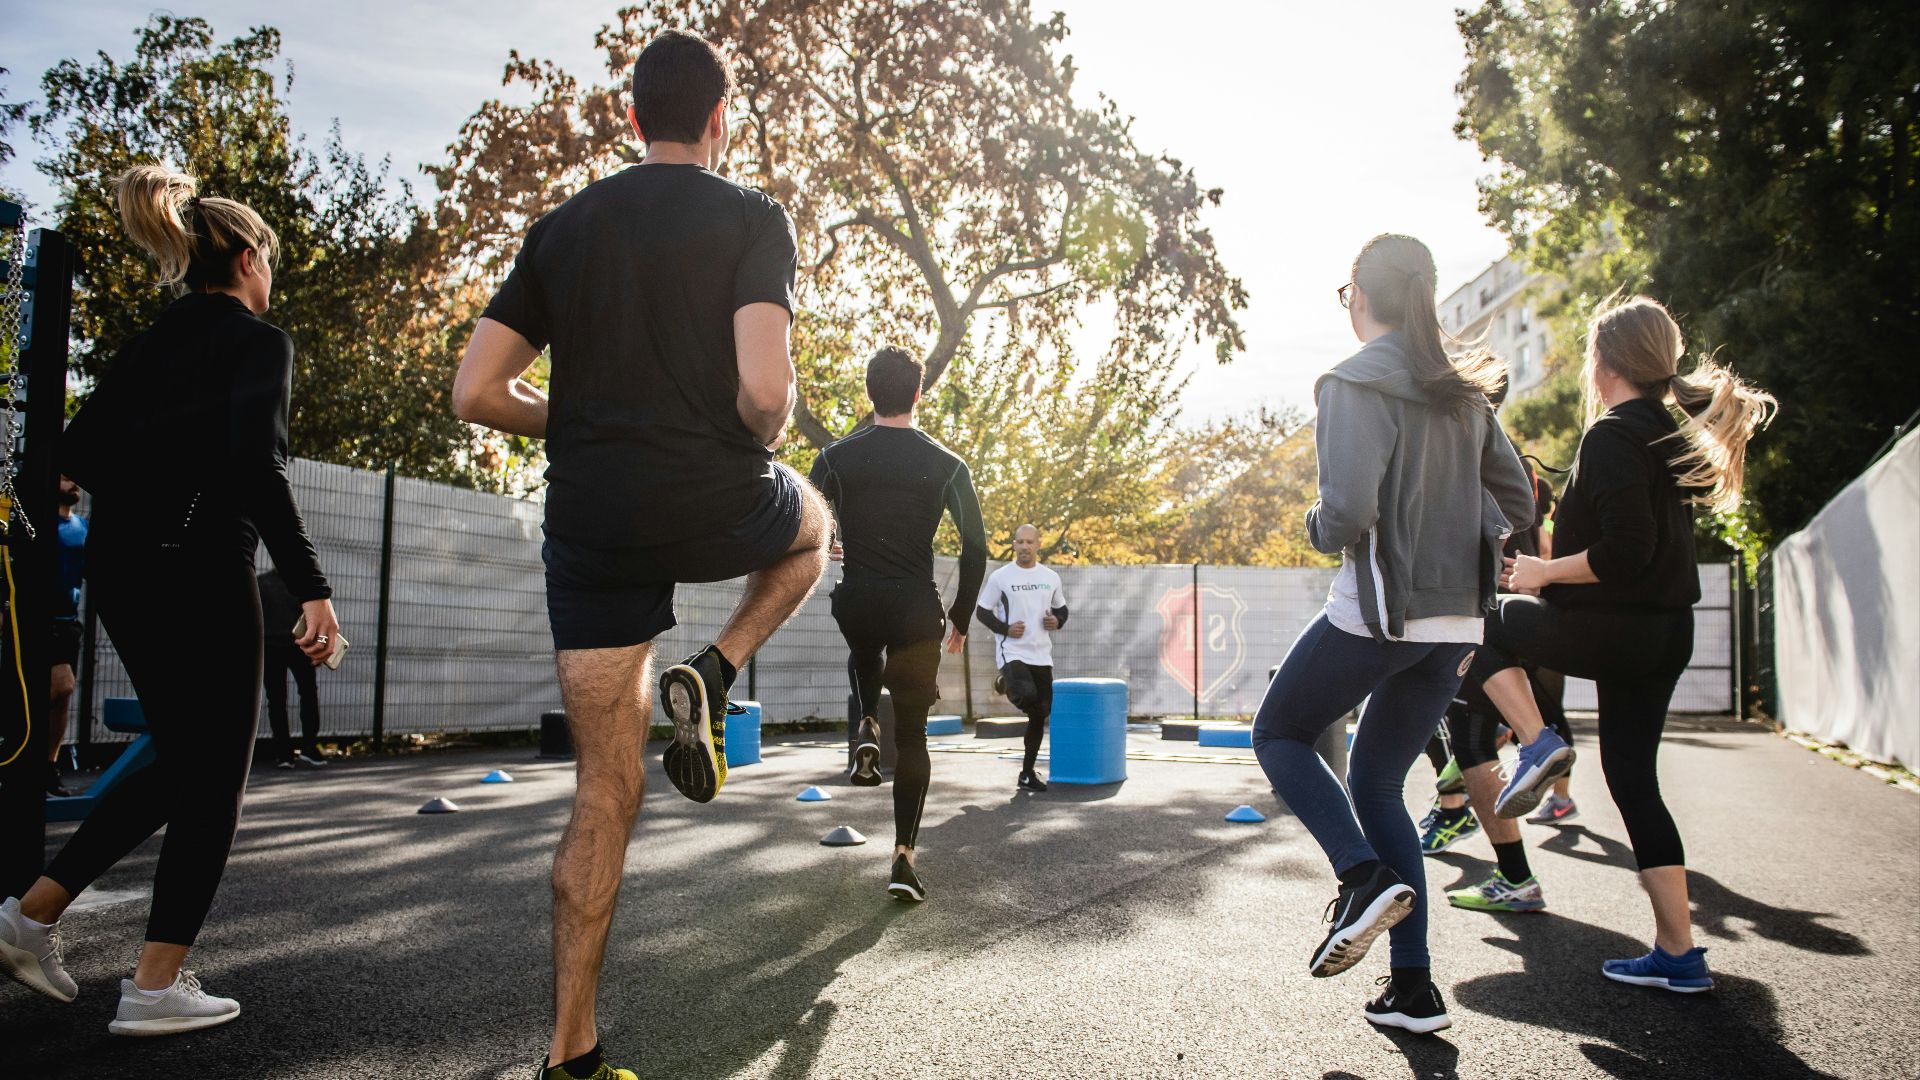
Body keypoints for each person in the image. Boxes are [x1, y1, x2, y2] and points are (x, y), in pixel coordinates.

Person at [450, 30, 829, 1080]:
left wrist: (572, 419)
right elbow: (763, 391)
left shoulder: (563, 228)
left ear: (631, 120)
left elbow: (476, 391)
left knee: (603, 791)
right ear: (719, 122)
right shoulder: (754, 216)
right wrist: (756, 437)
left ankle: (572, 1055)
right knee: (814, 530)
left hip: (592, 523)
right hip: (713, 493)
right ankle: (713, 669)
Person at [0, 165, 339, 1035]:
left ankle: (29, 916)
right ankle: (153, 986)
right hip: (200, 569)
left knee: (180, 759)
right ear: (250, 258)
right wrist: (313, 590)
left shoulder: (154, 342)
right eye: (273, 261)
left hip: (126, 573)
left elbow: (76, 451)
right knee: (214, 774)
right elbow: (258, 469)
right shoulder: (260, 343)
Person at [1248, 234, 1534, 1035]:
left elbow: (1345, 515)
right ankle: (1414, 990)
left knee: (1278, 731)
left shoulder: (1351, 381)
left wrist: (1312, 523)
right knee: (1377, 784)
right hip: (1455, 625)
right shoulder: (1466, 395)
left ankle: (1359, 874)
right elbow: (1518, 500)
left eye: (1345, 294)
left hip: (1380, 612)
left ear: (1361, 298)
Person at [1470, 294, 1774, 993]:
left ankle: (1538, 742)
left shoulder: (1611, 433)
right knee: (1635, 781)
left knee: (1479, 623)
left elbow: (1627, 551)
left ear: (1603, 361)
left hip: (1617, 629)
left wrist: (1545, 571)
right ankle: (1678, 952)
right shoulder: (1665, 431)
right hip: (1665, 632)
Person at [808, 347, 987, 902]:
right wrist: (959, 616)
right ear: (917, 392)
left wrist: (829, 542)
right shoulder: (949, 464)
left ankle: (865, 722)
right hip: (916, 610)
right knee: (913, 736)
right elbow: (976, 548)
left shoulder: (835, 458)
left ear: (870, 393)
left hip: (858, 599)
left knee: (863, 647)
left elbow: (805, 521)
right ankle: (903, 859)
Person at [974, 524, 1068, 792]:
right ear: (1014, 545)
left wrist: (1056, 620)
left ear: (1038, 544)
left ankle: (1026, 774)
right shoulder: (1001, 577)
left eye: (1030, 542)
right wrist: (1005, 629)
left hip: (1041, 654)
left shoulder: (1050, 577)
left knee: (1042, 712)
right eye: (1020, 542)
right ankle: (1009, 680)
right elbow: (982, 612)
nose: (1025, 547)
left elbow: (1062, 609)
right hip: (1012, 652)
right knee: (1028, 700)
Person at [257, 568, 327, 768]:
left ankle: (284, 753)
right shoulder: (304, 583)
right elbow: (319, 619)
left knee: (277, 700)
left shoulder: (261, 583)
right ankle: (309, 748)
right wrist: (321, 644)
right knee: (308, 695)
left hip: (272, 647)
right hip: (300, 647)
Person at [46, 476, 87, 797]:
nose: (74, 483)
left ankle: (48, 766)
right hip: (36, 621)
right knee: (62, 684)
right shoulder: (30, 525)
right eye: (65, 477)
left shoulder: (81, 527)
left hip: (68, 622)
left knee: (62, 698)